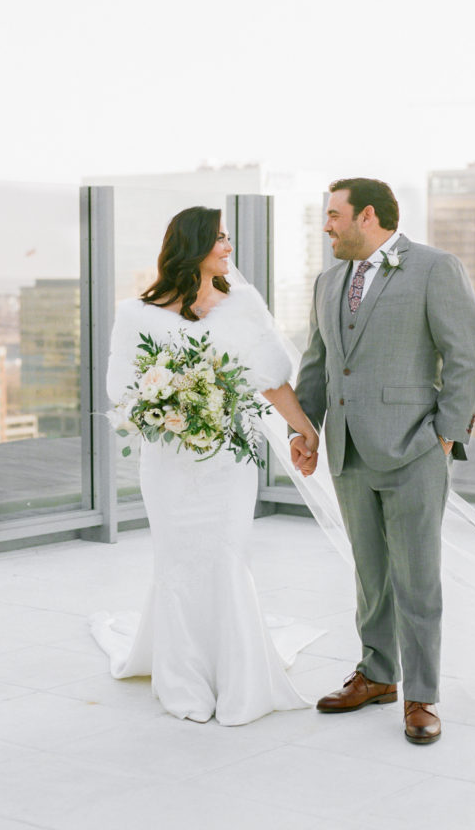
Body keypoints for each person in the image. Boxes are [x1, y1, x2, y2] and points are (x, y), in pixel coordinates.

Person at [90, 205, 322, 726]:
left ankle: (238, 675)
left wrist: (303, 429)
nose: (228, 247)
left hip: (226, 463)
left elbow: (271, 381)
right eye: (219, 238)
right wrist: (168, 408)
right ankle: (183, 679)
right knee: (177, 560)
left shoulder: (242, 305)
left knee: (225, 556)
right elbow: (121, 394)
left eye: (228, 237)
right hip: (169, 465)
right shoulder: (135, 315)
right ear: (192, 246)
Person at [290, 177, 475, 745]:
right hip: (347, 452)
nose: (325, 225)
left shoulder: (433, 268)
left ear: (367, 216)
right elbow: (318, 362)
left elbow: (465, 356)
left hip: (415, 451)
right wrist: (305, 428)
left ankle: (421, 695)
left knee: (416, 578)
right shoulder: (329, 281)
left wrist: (445, 437)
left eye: (333, 215)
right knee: (370, 574)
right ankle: (377, 674)